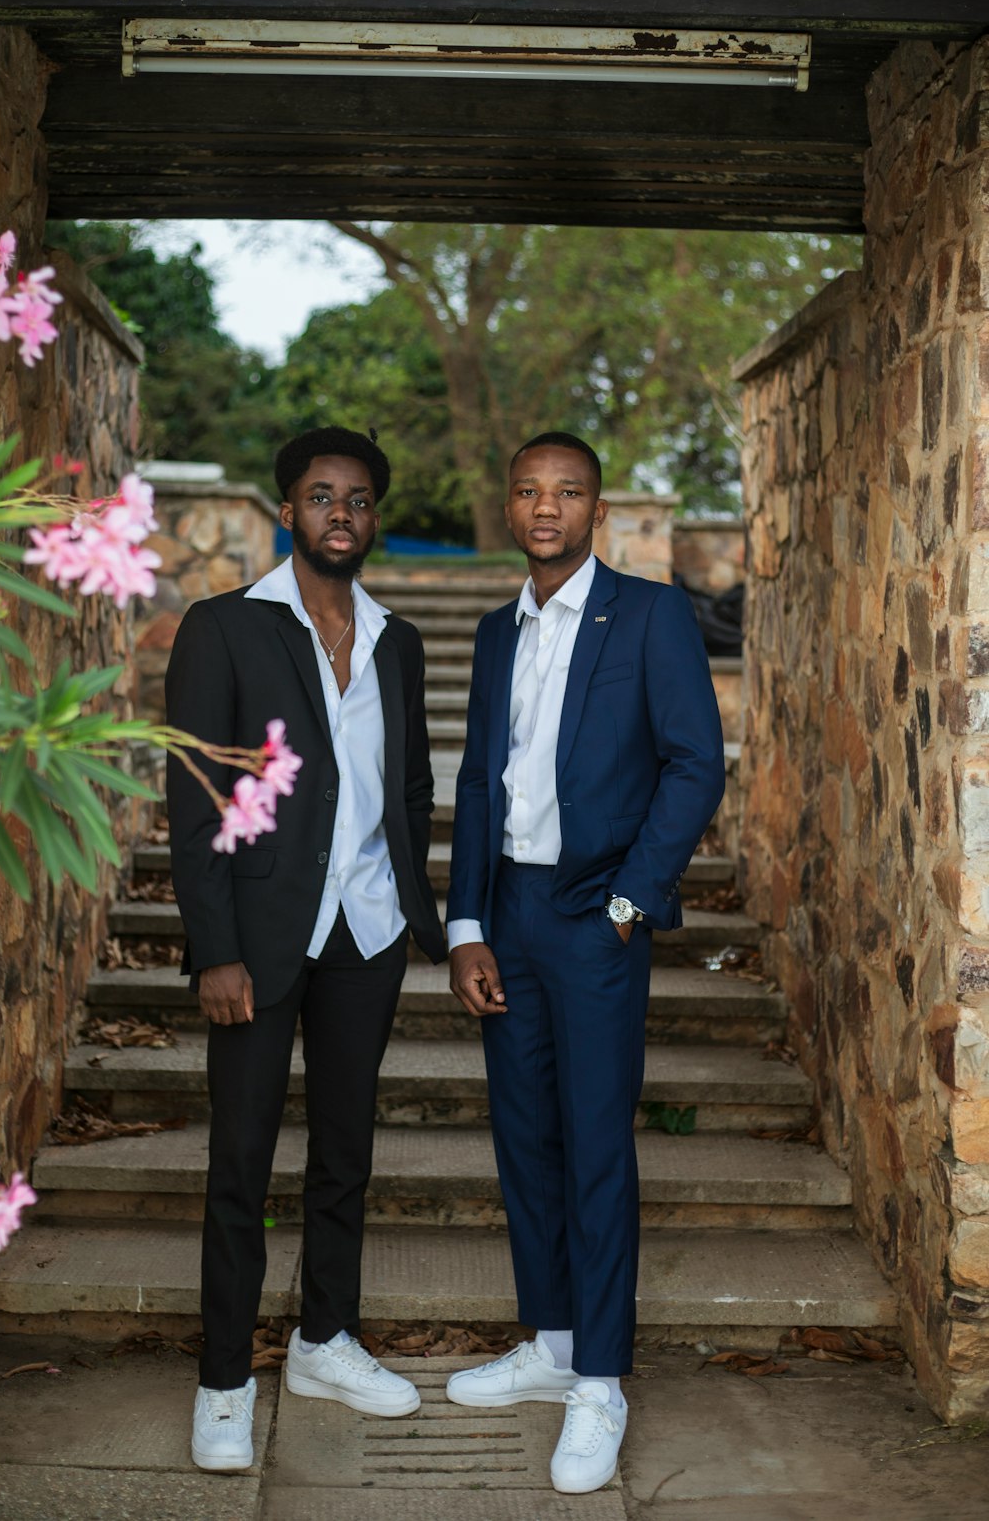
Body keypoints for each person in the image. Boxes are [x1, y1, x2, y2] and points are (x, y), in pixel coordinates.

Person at [445, 432, 726, 1495]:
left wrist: (626, 903)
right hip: (509, 910)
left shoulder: (649, 614)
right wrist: (466, 922)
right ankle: (554, 1341)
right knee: (525, 1136)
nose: (546, 507)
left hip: (592, 912)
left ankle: (600, 1380)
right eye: (528, 491)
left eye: (567, 492)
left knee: (597, 1145)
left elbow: (695, 761)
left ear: (597, 510)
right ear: (509, 508)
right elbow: (478, 782)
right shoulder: (491, 632)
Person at [166, 425, 445, 1473]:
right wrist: (214, 948)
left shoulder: (397, 641)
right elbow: (197, 802)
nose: (343, 512)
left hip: (365, 932)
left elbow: (407, 788)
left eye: (360, 498)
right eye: (323, 495)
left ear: (375, 517)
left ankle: (325, 1340)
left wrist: (418, 906)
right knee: (239, 1164)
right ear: (290, 510)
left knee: (345, 1157)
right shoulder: (226, 627)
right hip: (260, 938)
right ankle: (225, 1380)